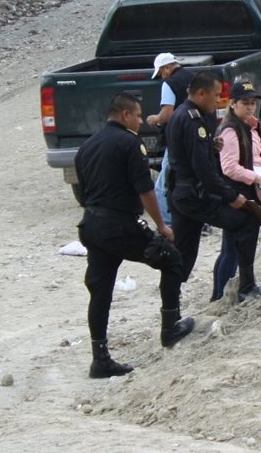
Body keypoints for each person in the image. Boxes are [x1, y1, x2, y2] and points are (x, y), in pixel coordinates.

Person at [75, 93, 195, 379]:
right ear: (126, 115)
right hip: (119, 225)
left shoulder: (87, 146)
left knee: (100, 291)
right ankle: (170, 328)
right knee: (172, 259)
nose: (142, 121)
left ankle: (100, 358)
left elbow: (82, 190)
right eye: (139, 115)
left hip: (91, 225)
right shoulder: (129, 142)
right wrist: (162, 226)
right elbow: (145, 189)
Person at [166, 71, 261, 301]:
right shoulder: (194, 120)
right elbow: (204, 169)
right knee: (247, 221)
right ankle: (246, 286)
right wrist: (230, 195)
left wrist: (210, 147)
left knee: (184, 253)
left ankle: (172, 309)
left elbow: (188, 154)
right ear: (201, 94)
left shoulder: (182, 115)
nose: (217, 100)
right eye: (215, 95)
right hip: (194, 194)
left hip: (182, 193)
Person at [211, 80, 261, 302]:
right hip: (238, 194)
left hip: (245, 192)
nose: (250, 107)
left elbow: (248, 158)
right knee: (235, 247)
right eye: (245, 103)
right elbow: (229, 168)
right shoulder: (231, 129)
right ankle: (230, 292)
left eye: (252, 103)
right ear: (232, 104)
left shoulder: (249, 125)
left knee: (234, 245)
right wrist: (257, 177)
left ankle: (230, 291)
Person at [146, 52, 194, 225]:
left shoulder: (169, 83)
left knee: (163, 183)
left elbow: (167, 113)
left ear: (167, 68)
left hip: (177, 138)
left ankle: (167, 222)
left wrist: (154, 119)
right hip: (195, 136)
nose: (161, 77)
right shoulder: (193, 77)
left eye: (161, 73)